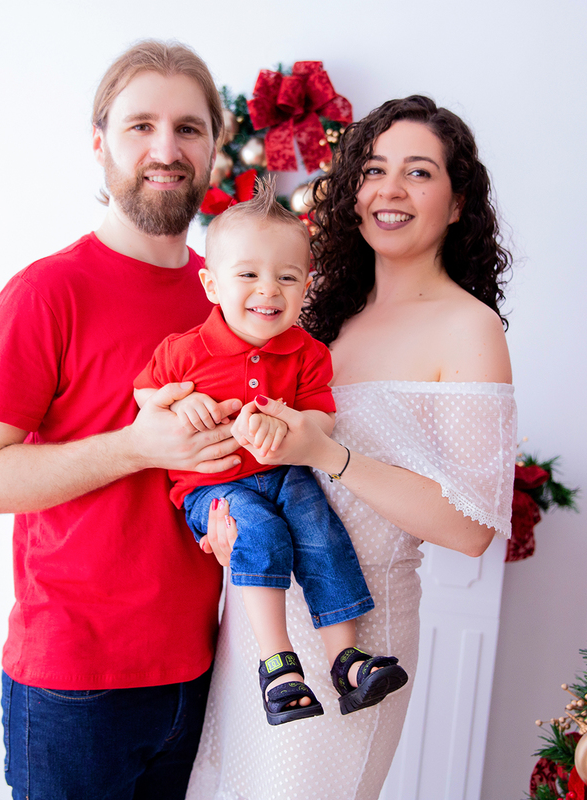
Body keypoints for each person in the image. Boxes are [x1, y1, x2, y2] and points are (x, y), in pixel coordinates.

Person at [186, 95, 517, 800]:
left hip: (359, 635)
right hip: (263, 622)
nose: (390, 189)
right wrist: (230, 528)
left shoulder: (469, 328)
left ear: (458, 203)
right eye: (373, 169)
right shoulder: (321, 314)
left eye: (419, 172)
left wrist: (326, 454)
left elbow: (471, 529)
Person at [0, 40, 243, 800]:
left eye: (188, 128)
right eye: (140, 125)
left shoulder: (231, 299)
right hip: (74, 686)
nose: (165, 148)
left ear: (216, 145)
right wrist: (136, 447)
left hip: (199, 668)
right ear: (100, 144)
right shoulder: (48, 294)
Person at [133, 180, 408, 728]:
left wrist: (295, 426)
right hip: (214, 486)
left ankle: (345, 660)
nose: (269, 290)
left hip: (285, 473)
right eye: (249, 275)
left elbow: (322, 417)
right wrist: (178, 406)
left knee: (321, 530)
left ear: (307, 285)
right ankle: (278, 665)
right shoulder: (183, 351)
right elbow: (146, 397)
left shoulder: (306, 353)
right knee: (260, 534)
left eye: (287, 277)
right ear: (212, 285)